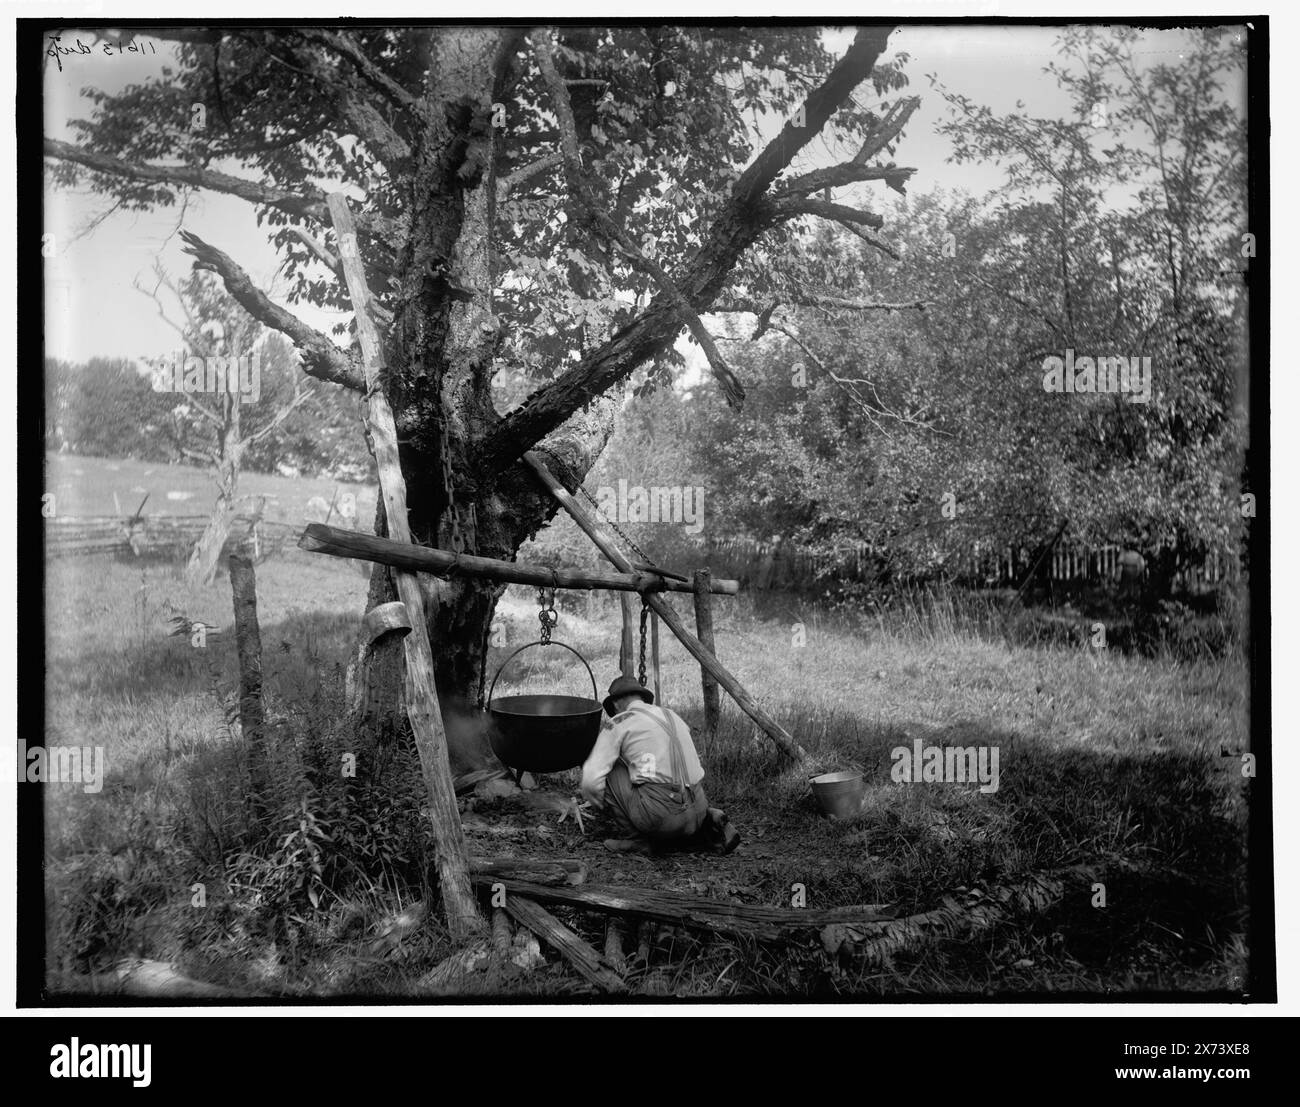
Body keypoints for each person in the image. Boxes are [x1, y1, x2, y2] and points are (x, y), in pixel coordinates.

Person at [580, 675, 740, 855]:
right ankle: (706, 821)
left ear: (616, 704)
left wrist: (597, 803)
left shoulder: (620, 721)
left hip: (662, 816)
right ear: (641, 698)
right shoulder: (671, 715)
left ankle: (637, 840)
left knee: (609, 768)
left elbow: (590, 780)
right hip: (698, 805)